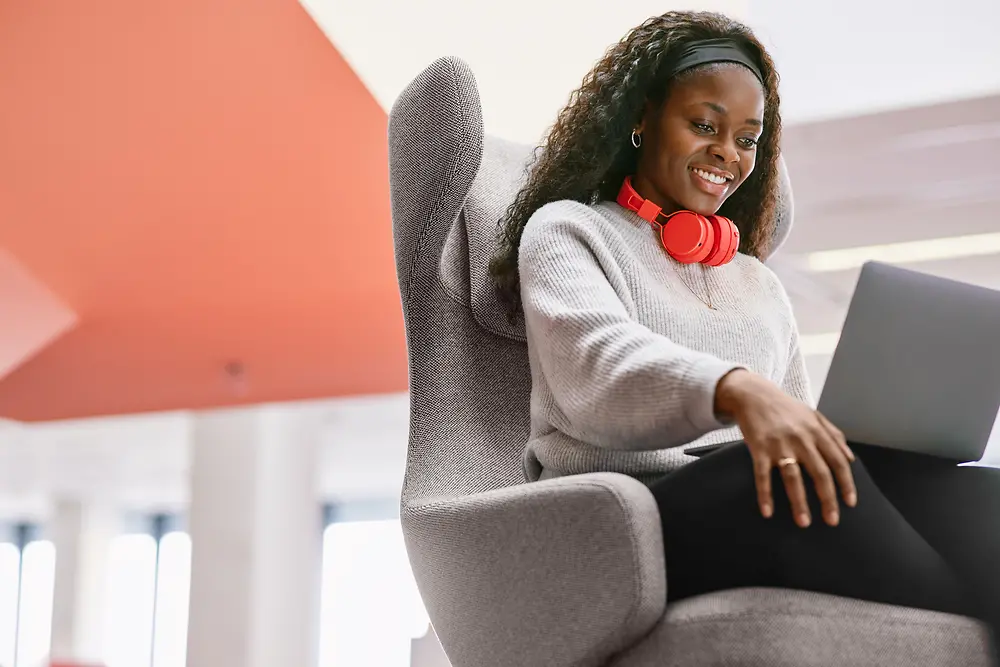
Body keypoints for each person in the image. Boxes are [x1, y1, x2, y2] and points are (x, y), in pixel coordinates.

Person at [489, 9, 1000, 652]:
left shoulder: (758, 284)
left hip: (744, 486)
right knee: (785, 486)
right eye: (704, 125)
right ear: (642, 118)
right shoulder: (568, 231)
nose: (728, 155)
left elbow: (802, 422)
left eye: (747, 139)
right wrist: (735, 389)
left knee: (983, 495)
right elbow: (597, 368)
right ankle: (961, 634)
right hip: (626, 514)